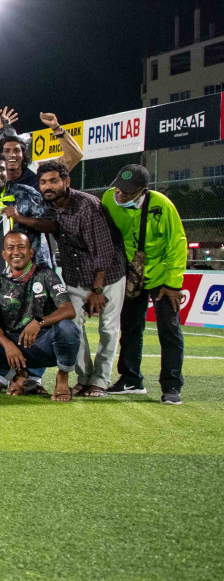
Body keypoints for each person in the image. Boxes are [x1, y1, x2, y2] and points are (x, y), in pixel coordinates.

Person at [9, 161, 126, 396]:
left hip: (107, 276)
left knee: (108, 328)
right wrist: (21, 218)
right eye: (43, 182)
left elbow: (103, 250)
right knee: (73, 326)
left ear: (66, 181)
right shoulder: (50, 205)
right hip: (74, 275)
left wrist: (97, 290)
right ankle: (84, 378)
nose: (47, 186)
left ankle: (100, 381)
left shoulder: (87, 206)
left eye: (53, 180)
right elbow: (50, 225)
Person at [101, 164, 187, 402]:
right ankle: (130, 379)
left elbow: (177, 244)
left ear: (142, 191)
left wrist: (173, 284)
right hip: (130, 274)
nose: (120, 194)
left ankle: (171, 386)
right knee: (130, 327)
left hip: (161, 276)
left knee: (169, 330)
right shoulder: (109, 198)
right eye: (118, 187)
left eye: (127, 191)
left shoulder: (162, 205)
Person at [0, 231, 81, 400]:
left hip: (43, 343)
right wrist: (7, 344)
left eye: (21, 247)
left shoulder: (46, 275)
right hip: (14, 345)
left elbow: (68, 310)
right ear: (4, 254)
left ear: (31, 252)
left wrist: (39, 322)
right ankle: (19, 375)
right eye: (10, 248)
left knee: (68, 328)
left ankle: (62, 377)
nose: (16, 252)